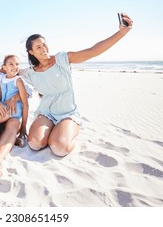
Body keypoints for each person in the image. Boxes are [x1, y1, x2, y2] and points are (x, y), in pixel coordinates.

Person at [20, 13, 133, 157]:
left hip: (67, 113)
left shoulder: (62, 59)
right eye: (38, 47)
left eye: (44, 44)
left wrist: (121, 33)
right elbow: (7, 71)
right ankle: (53, 130)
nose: (43, 49)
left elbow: (93, 51)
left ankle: (66, 130)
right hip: (46, 113)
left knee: (59, 148)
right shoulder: (30, 73)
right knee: (35, 144)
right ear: (31, 52)